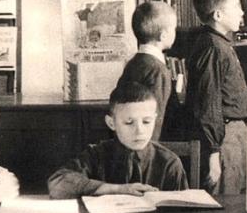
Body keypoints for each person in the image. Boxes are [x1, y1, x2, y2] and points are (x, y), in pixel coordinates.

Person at [185, 0, 247, 195]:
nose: (242, 11)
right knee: (227, 206)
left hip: (232, 136)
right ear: (218, 15)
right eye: (236, 5)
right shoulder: (212, 47)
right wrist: (213, 154)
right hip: (223, 141)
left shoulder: (218, 43)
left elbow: (221, 89)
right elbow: (207, 103)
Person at [48, 82, 188, 198]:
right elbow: (57, 184)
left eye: (146, 121)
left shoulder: (169, 163)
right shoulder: (96, 155)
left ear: (156, 119)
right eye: (129, 122)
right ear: (111, 123)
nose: (139, 130)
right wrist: (116, 189)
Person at [115, 1, 178, 141]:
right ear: (164, 35)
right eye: (174, 28)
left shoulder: (133, 63)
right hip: (149, 146)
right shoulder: (157, 70)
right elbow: (155, 119)